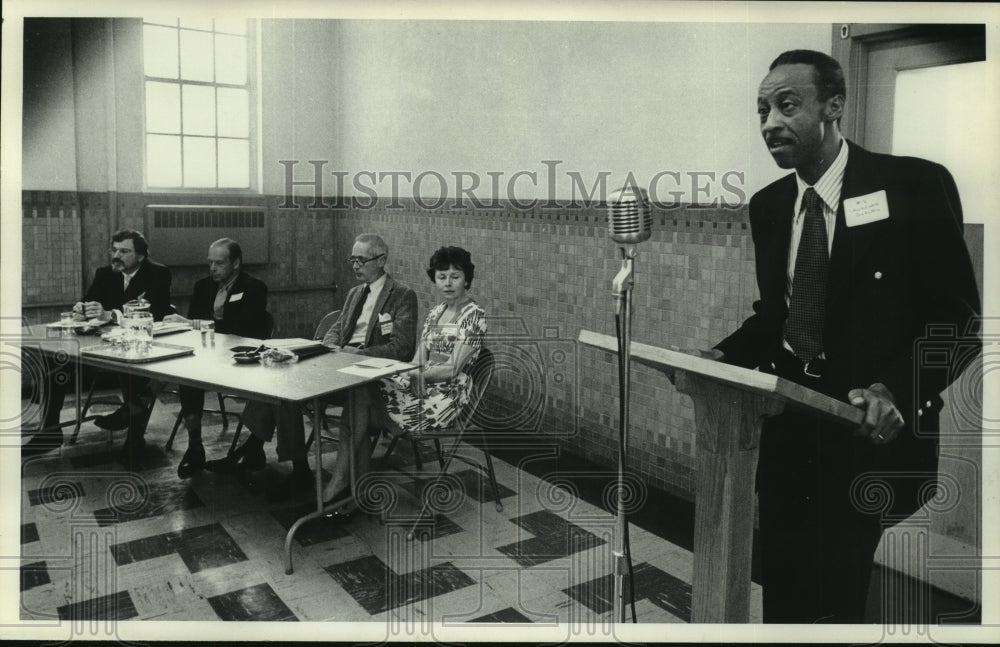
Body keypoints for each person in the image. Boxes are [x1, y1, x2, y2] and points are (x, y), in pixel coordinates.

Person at [703, 50, 980, 622]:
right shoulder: (769, 205)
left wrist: (895, 390)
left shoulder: (912, 185)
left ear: (835, 105)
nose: (770, 123)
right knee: (783, 585)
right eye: (762, 111)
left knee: (836, 595)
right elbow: (776, 317)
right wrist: (719, 355)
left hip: (860, 430)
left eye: (787, 105)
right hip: (786, 423)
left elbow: (957, 323)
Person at [206, 233, 418, 500]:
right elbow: (338, 328)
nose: (355, 266)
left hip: (369, 376)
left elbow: (402, 348)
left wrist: (359, 354)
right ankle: (291, 464)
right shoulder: (355, 292)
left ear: (382, 260)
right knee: (279, 380)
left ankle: (263, 453)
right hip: (337, 363)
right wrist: (329, 346)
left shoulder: (402, 295)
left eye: (361, 260)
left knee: (288, 389)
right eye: (352, 260)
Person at [321, 246, 487, 506]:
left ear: (467, 279)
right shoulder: (436, 312)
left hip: (446, 394)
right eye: (442, 276)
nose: (448, 283)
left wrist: (420, 375)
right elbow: (417, 360)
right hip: (420, 382)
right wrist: (410, 373)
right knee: (360, 393)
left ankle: (344, 484)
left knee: (359, 411)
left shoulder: (474, 315)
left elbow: (452, 368)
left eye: (455, 276)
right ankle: (352, 486)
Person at [22, 229, 174, 467]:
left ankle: (135, 440)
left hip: (143, 342)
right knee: (54, 358)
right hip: (103, 343)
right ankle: (49, 431)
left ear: (141, 255)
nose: (116, 256)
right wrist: (82, 309)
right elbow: (90, 300)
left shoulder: (158, 273)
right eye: (114, 250)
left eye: (124, 251)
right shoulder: (105, 273)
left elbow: (155, 312)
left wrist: (110, 314)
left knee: (130, 368)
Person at [162, 238, 269, 478]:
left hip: (241, 358)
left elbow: (242, 329)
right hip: (209, 355)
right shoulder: (203, 287)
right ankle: (194, 445)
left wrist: (197, 324)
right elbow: (196, 327)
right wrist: (197, 325)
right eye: (210, 263)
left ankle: (253, 448)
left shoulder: (254, 288)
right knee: (187, 373)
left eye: (219, 263)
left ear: (236, 263)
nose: (212, 268)